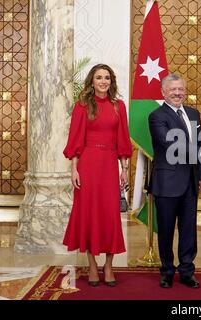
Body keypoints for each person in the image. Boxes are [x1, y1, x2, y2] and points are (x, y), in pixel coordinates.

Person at [63, 64, 132, 287]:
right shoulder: (82, 106)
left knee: (110, 214)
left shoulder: (118, 106)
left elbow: (123, 139)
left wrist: (125, 169)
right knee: (89, 213)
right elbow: (76, 139)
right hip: (88, 165)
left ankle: (109, 265)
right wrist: (74, 169)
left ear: (111, 82)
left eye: (107, 78)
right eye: (98, 77)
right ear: (92, 81)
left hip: (110, 165)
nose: (103, 81)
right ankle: (92, 265)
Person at [148, 73, 201, 289]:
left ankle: (187, 271)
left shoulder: (194, 114)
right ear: (163, 92)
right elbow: (170, 144)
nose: (177, 93)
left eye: (180, 89)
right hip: (167, 182)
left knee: (189, 229)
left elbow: (199, 146)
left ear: (185, 91)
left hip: (190, 182)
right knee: (165, 229)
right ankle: (166, 271)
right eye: (173, 90)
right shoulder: (157, 116)